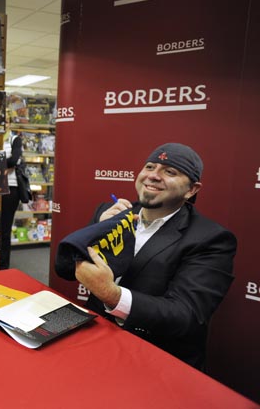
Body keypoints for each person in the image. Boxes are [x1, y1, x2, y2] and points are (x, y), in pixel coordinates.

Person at [59, 143, 236, 370]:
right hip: (94, 341)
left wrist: (112, 295)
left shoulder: (211, 239)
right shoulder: (111, 213)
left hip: (156, 360)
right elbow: (64, 270)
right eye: (150, 167)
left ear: (192, 190)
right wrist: (95, 233)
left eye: (170, 172)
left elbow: (186, 315)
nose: (153, 175)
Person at [0, 130, 24, 269]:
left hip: (10, 188)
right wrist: (5, 163)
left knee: (5, 230)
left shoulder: (14, 139)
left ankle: (3, 266)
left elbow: (14, 160)